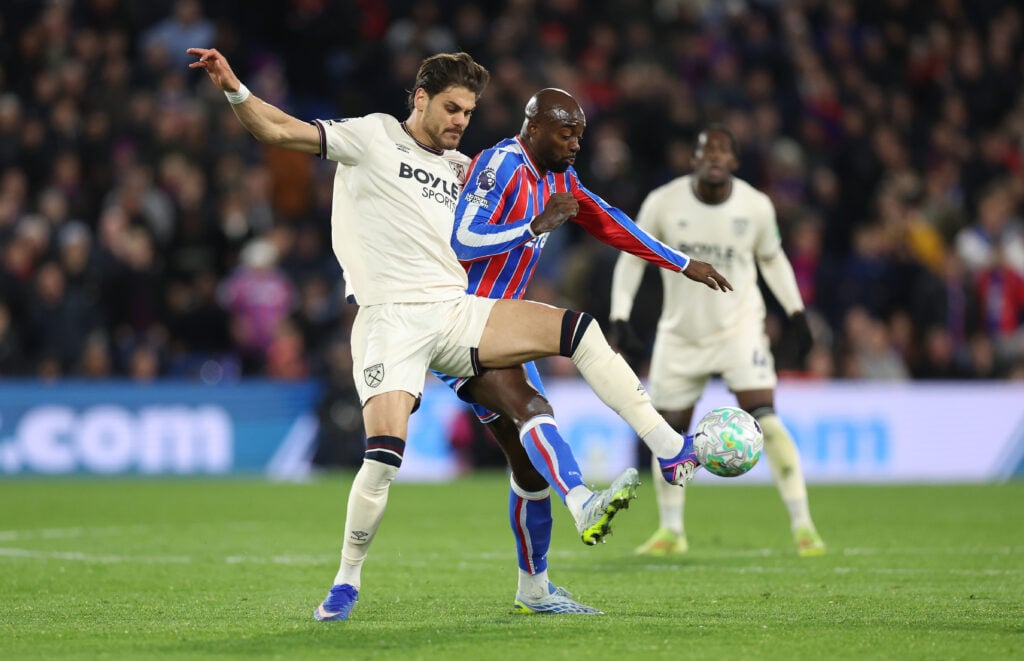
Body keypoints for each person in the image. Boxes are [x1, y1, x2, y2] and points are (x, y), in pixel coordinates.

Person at [188, 48, 732, 622]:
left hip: (456, 309)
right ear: (420, 99)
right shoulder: (372, 136)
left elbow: (594, 215)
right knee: (384, 457)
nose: (460, 121)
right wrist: (233, 88)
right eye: (452, 108)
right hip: (390, 318)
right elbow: (277, 129)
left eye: (469, 112)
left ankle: (664, 453)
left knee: (576, 333)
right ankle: (346, 580)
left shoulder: (462, 168)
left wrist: (680, 262)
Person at [436, 88, 734, 614]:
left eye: (579, 134)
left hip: (499, 326)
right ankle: (665, 450)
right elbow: (461, 240)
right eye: (565, 134)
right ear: (533, 128)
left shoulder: (560, 179)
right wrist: (533, 226)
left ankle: (535, 588)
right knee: (575, 339)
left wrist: (684, 264)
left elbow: (611, 221)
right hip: (457, 318)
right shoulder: (500, 166)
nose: (576, 144)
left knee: (529, 464)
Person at [609, 124, 827, 558]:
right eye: (706, 150)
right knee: (667, 432)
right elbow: (632, 257)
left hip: (739, 329)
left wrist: (796, 311)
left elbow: (772, 259)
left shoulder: (756, 205)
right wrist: (619, 314)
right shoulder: (663, 202)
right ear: (694, 158)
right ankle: (671, 530)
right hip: (681, 334)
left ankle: (803, 525)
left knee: (766, 418)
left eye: (722, 151)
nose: (714, 157)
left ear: (734, 161)